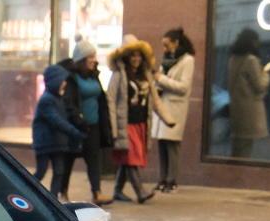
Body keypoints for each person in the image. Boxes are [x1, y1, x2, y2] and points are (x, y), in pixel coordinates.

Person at [107, 37, 174, 203]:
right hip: (125, 124)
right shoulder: (118, 75)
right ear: (126, 57)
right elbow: (110, 100)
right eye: (132, 56)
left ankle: (117, 191)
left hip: (141, 123)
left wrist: (168, 119)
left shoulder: (145, 75)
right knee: (131, 158)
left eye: (139, 55)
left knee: (128, 158)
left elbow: (155, 99)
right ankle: (140, 191)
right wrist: (113, 128)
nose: (136, 59)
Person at [64, 39, 113, 205]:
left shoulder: (94, 76)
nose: (94, 60)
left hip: (95, 126)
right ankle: (63, 192)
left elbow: (101, 99)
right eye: (90, 57)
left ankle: (97, 193)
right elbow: (69, 102)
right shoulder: (72, 79)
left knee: (94, 160)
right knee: (68, 160)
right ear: (81, 59)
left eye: (94, 56)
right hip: (77, 127)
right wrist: (79, 119)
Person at [32, 64, 86, 201]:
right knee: (41, 171)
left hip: (57, 142)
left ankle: (53, 199)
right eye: (62, 80)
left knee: (59, 171)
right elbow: (57, 120)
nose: (65, 83)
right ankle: (27, 192)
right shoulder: (47, 100)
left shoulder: (58, 97)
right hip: (45, 142)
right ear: (55, 81)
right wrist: (75, 132)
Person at [152, 27, 195, 192]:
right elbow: (160, 81)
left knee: (173, 144)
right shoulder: (166, 59)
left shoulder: (187, 60)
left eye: (166, 45)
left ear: (176, 43)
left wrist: (160, 78)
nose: (164, 49)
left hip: (176, 106)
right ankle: (162, 179)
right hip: (163, 104)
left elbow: (184, 87)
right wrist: (158, 81)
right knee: (162, 143)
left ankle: (173, 180)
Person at [227, 28, 270, 159]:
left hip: (236, 110)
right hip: (249, 112)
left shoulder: (233, 59)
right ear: (253, 42)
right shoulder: (251, 60)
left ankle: (232, 177)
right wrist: (266, 74)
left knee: (237, 150)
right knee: (245, 151)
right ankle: (237, 178)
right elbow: (260, 86)